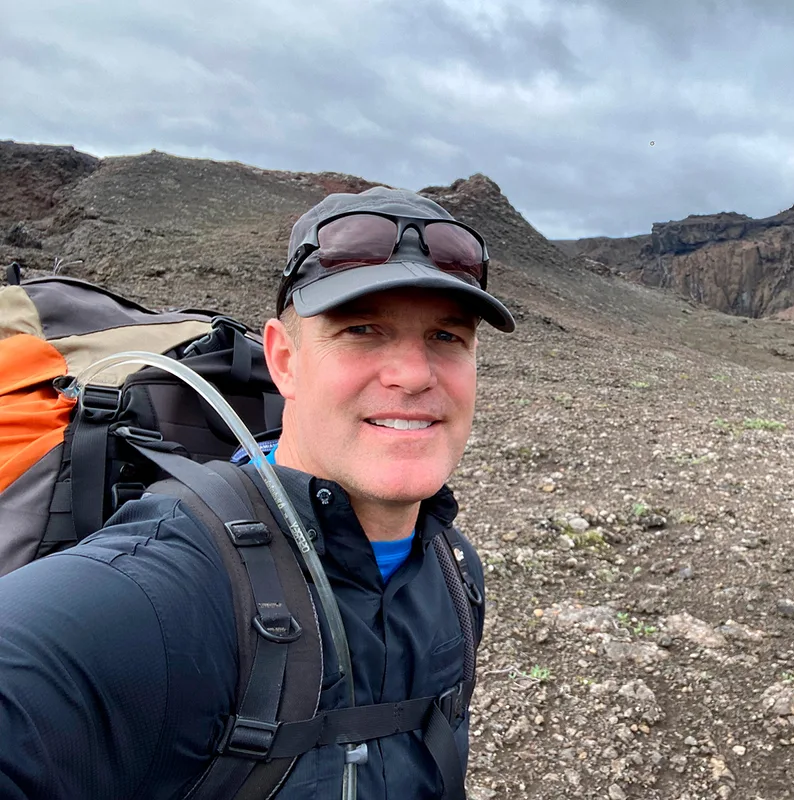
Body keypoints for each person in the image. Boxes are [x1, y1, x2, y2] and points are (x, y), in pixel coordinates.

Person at [0, 186, 516, 799]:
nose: (413, 374)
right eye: (361, 330)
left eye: (447, 337)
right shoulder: (161, 588)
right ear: (284, 360)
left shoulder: (453, 571)